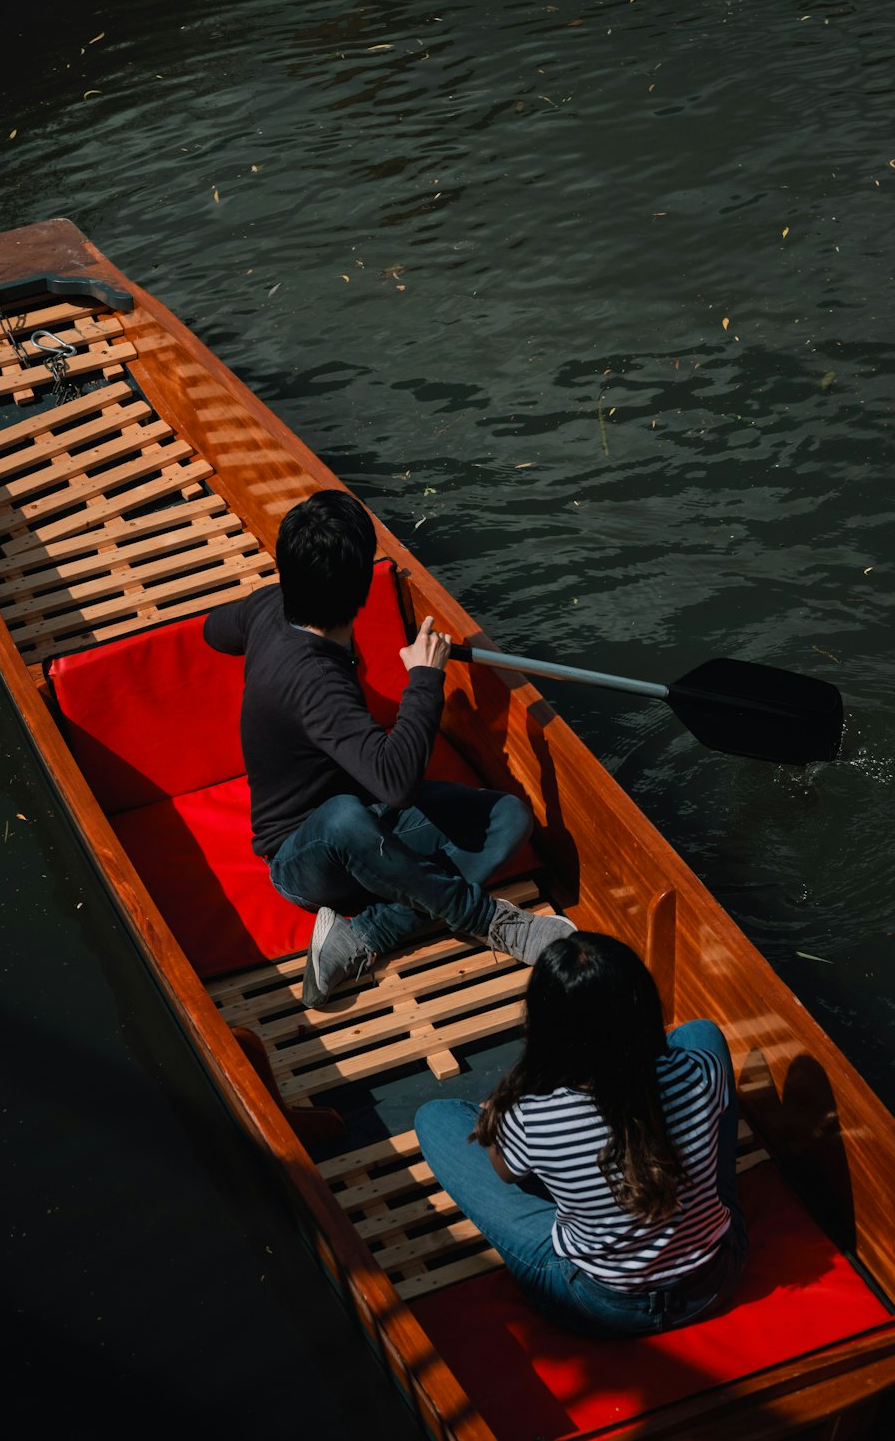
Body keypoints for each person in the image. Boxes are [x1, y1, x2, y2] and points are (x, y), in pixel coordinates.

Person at [203, 488, 574, 1007]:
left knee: (509, 816)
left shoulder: (268, 606)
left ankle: (363, 935)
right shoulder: (318, 686)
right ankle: (486, 920)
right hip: (302, 856)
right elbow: (397, 784)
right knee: (344, 817)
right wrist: (424, 679)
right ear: (360, 591)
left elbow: (213, 630)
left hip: (372, 823)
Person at [415, 932, 748, 1336]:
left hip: (602, 1305)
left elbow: (504, 1172)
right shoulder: (698, 1073)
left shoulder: (531, 1116)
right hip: (715, 1276)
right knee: (702, 1033)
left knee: (436, 1118)